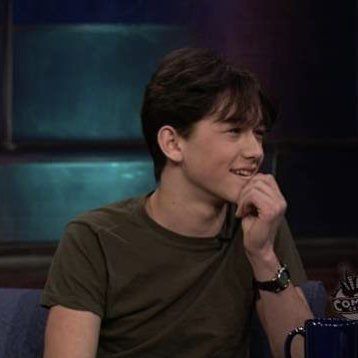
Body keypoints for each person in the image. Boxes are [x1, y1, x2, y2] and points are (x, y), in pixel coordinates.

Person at [41, 47, 313, 357]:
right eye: (235, 131)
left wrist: (262, 255)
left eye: (258, 133)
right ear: (172, 143)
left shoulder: (261, 224)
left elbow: (303, 354)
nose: (255, 151)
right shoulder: (93, 238)